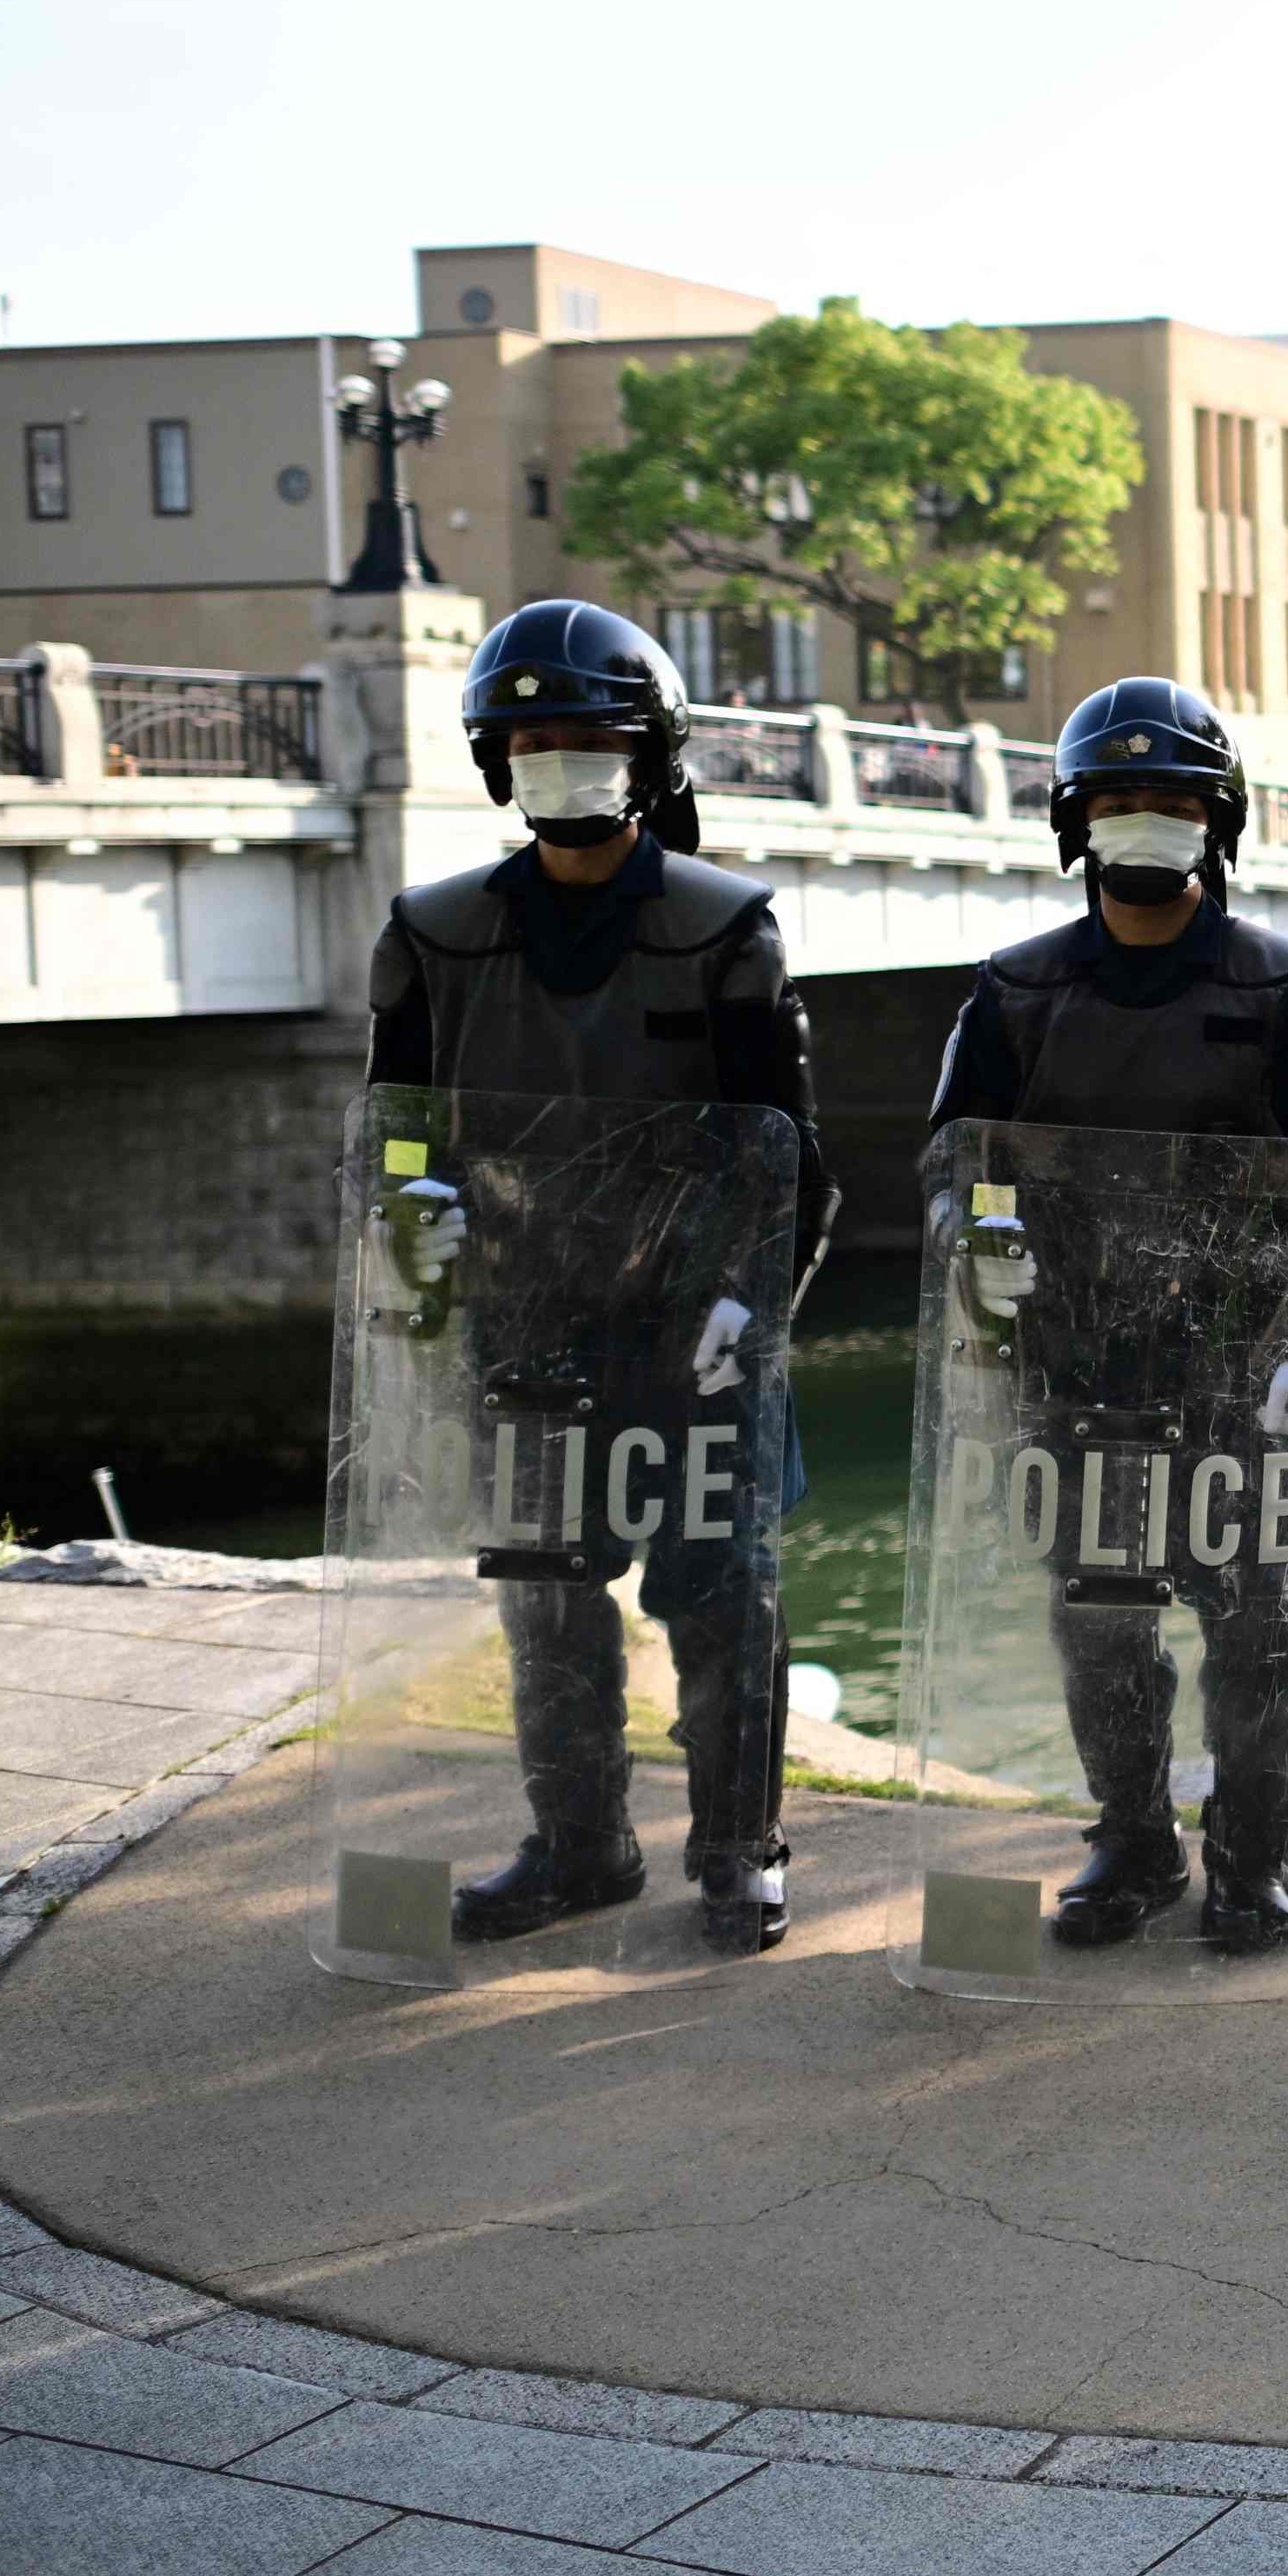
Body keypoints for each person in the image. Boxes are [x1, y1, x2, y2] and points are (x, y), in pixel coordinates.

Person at [364, 598, 826, 1956]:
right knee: (549, 1603)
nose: (560, 763)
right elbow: (395, 1127)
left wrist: (749, 1294)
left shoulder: (726, 928)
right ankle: (577, 1850)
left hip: (699, 1337)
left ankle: (738, 1851)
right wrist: (406, 1208)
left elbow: (789, 1157)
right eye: (532, 743)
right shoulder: (436, 935)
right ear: (495, 761)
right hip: (525, 1327)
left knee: (722, 1597)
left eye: (591, 740)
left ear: (649, 755)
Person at [931, 678, 1288, 1958]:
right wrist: (975, 1245)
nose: (1142, 821)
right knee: (1099, 1616)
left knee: (1257, 1622)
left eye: (1169, 800)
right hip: (1074, 1361)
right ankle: (1131, 1843)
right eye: (1117, 800)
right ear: (1074, 822)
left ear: (1216, 821)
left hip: (1241, 1370)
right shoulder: (1012, 993)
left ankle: (1253, 1868)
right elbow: (956, 1165)